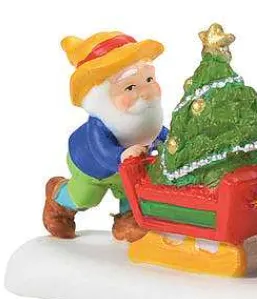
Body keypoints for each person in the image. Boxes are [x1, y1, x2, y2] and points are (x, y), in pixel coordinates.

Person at [43, 31, 167, 242]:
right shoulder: (99, 125)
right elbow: (101, 151)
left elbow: (158, 132)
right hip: (91, 167)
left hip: (129, 169)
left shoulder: (146, 119)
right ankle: (58, 198)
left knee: (134, 190)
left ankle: (127, 220)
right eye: (130, 87)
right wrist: (122, 155)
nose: (146, 92)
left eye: (149, 79)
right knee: (85, 198)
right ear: (100, 96)